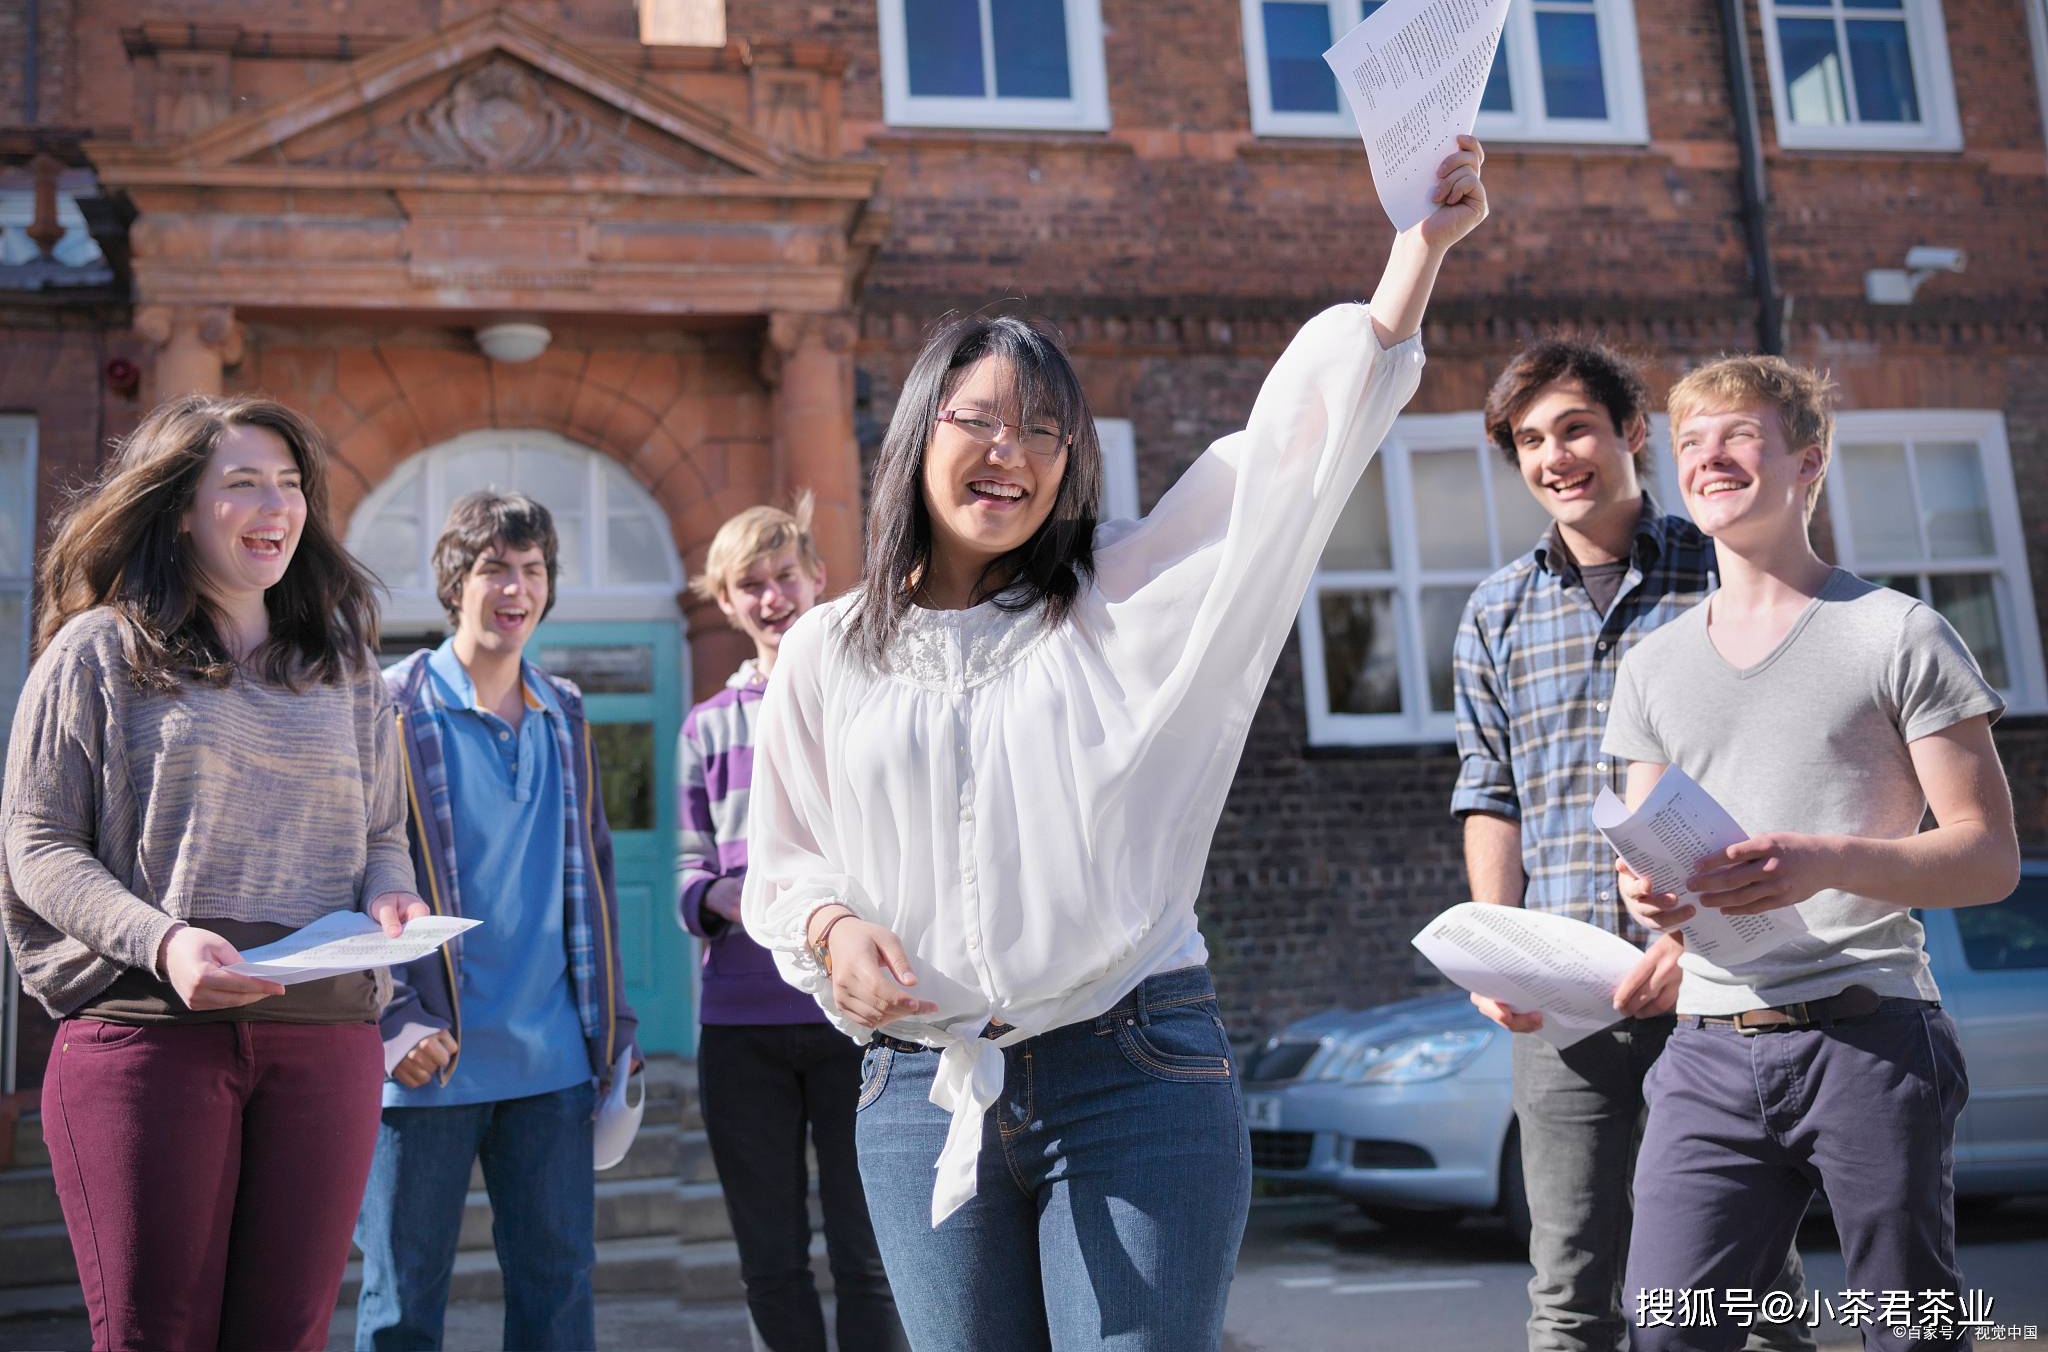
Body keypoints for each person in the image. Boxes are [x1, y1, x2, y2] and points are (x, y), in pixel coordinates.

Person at [740, 140, 1489, 1350]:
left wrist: (1415, 254)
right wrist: (830, 936)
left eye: (1044, 432)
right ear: (914, 436)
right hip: (920, 1092)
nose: (1011, 453)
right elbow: (784, 860)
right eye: (977, 420)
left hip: (1131, 1065)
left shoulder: (1120, 595)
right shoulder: (830, 650)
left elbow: (1287, 468)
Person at [1605, 355, 2019, 1352]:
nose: (1707, 457)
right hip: (1706, 1046)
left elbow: (1986, 858)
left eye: (1735, 436)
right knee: (1663, 1328)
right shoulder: (1650, 664)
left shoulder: (1897, 634)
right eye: (1690, 443)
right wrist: (1651, 899)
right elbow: (1646, 857)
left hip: (1869, 1033)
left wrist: (1823, 859)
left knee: (1902, 1330)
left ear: (1806, 460)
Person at [0, 395, 426, 1352]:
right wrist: (164, 939)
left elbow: (382, 833)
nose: (275, 503)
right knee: (158, 1337)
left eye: (289, 484)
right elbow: (34, 845)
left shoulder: (348, 665)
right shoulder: (97, 652)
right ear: (178, 508)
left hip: (326, 1041)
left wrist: (389, 894)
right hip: (149, 1036)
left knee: (289, 1338)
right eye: (242, 484)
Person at [1452, 344, 1810, 1352]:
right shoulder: (1495, 613)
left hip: (1721, 986)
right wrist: (1496, 947)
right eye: (1528, 440)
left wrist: (1693, 939)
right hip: (1563, 996)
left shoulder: (1723, 568)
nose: (1553, 456)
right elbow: (1488, 793)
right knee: (1569, 1294)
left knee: (1747, 1278)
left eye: (1573, 428)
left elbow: (1774, 770)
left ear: (1630, 434)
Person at [352, 490, 639, 1352]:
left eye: (532, 570)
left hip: (550, 1064)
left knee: (557, 1305)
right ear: (455, 582)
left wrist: (615, 1024)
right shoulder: (389, 705)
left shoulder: (568, 711)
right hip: (426, 1065)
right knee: (401, 1311)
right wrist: (394, 1017)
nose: (513, 588)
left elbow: (594, 874)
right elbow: (347, 874)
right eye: (493, 569)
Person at [678, 493, 906, 1351]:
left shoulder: (867, 706)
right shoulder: (705, 729)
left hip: (855, 1018)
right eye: (751, 585)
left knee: (869, 1253)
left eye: (784, 577)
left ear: (817, 580)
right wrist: (717, 896)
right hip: (740, 1026)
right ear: (727, 603)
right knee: (769, 1259)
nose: (772, 597)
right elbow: (684, 867)